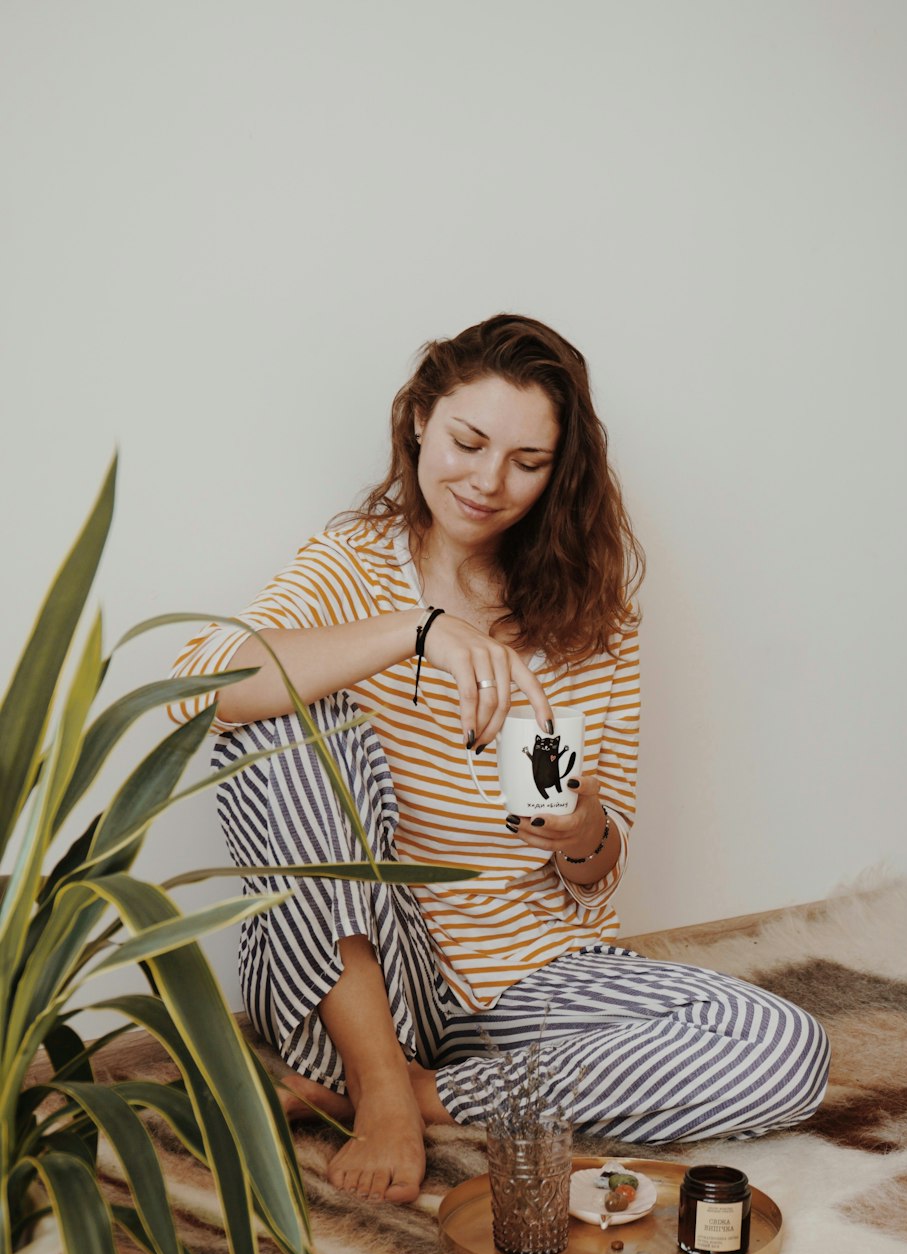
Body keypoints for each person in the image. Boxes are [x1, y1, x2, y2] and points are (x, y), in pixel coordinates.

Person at [169, 313, 830, 1205]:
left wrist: (583, 827)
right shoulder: (355, 564)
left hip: (533, 981)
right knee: (275, 724)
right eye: (468, 442)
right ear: (418, 423)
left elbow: (598, 875)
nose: (487, 482)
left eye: (527, 461)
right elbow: (198, 686)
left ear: (562, 471)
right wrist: (414, 633)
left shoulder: (597, 617)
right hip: (357, 979)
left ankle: (417, 1093)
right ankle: (372, 1071)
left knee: (785, 1048)